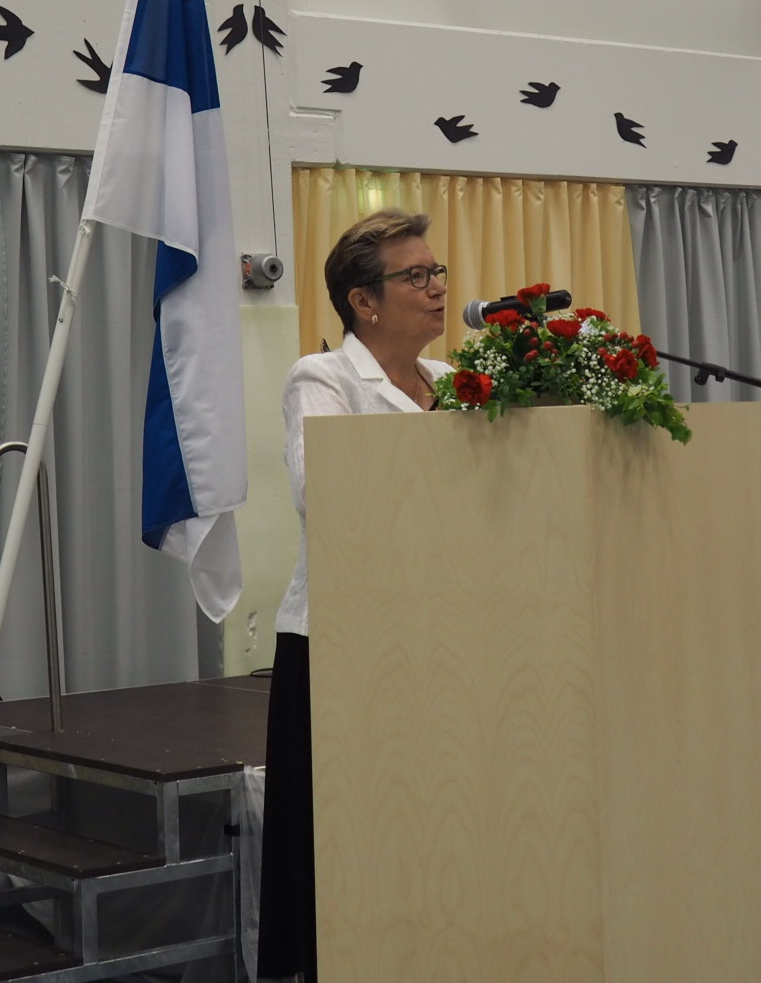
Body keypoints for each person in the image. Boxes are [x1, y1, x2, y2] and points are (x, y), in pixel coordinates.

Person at [256, 209, 451, 982]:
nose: (437, 288)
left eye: (437, 272)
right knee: (343, 842)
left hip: (444, 640)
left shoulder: (455, 384)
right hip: (341, 646)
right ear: (364, 301)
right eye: (416, 276)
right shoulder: (323, 379)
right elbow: (324, 495)